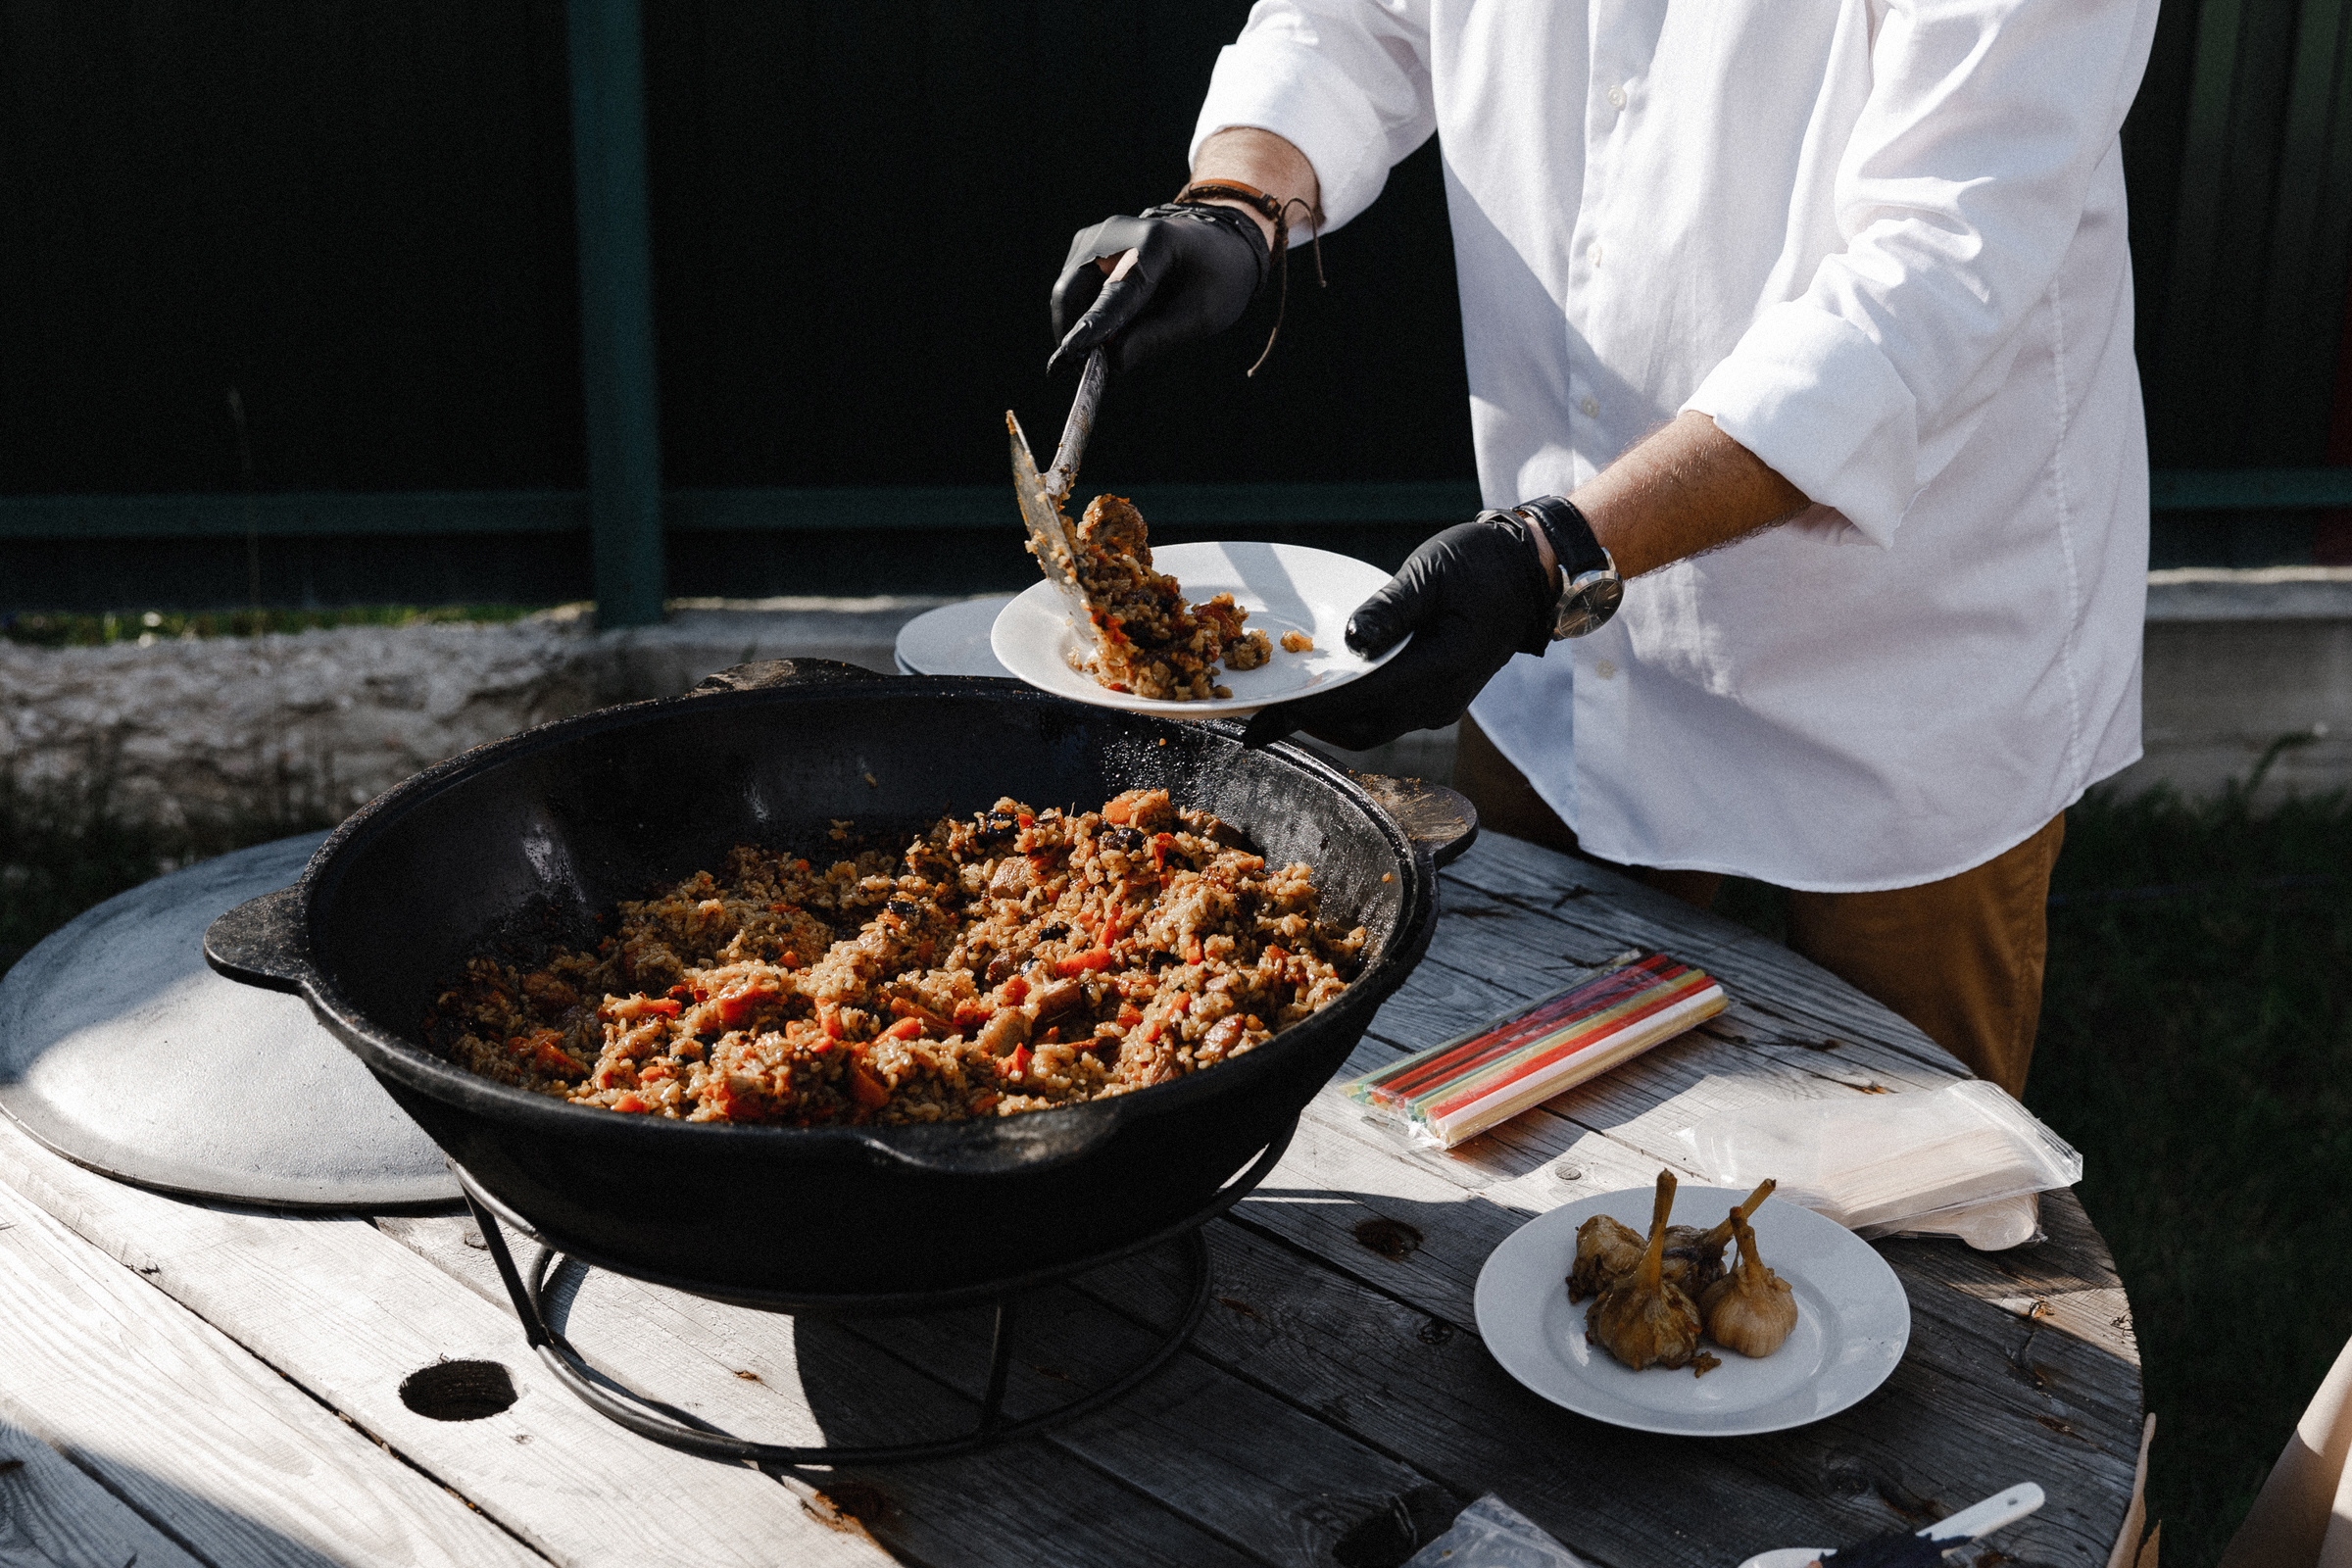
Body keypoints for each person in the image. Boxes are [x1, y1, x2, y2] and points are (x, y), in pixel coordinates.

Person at [1046, 0, 2160, 1096]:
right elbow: (1358, 16)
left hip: (1908, 650)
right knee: (1510, 1106)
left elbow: (1935, 271)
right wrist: (1240, 200)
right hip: (1569, 637)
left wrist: (1554, 554)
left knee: (1915, 1188)